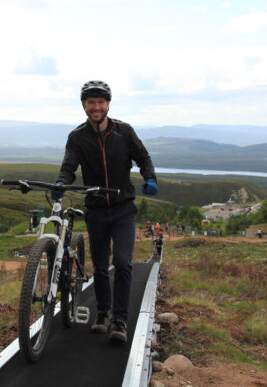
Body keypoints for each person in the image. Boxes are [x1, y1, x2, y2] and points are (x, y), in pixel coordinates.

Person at [52, 80, 157, 344]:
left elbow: (143, 157)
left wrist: (150, 178)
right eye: (91, 102)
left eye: (100, 102)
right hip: (96, 209)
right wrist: (61, 183)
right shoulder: (77, 137)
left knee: (122, 262)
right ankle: (103, 313)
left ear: (108, 104)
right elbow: (69, 166)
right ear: (84, 105)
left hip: (123, 208)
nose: (96, 107)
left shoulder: (124, 131)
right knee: (100, 266)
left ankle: (120, 320)